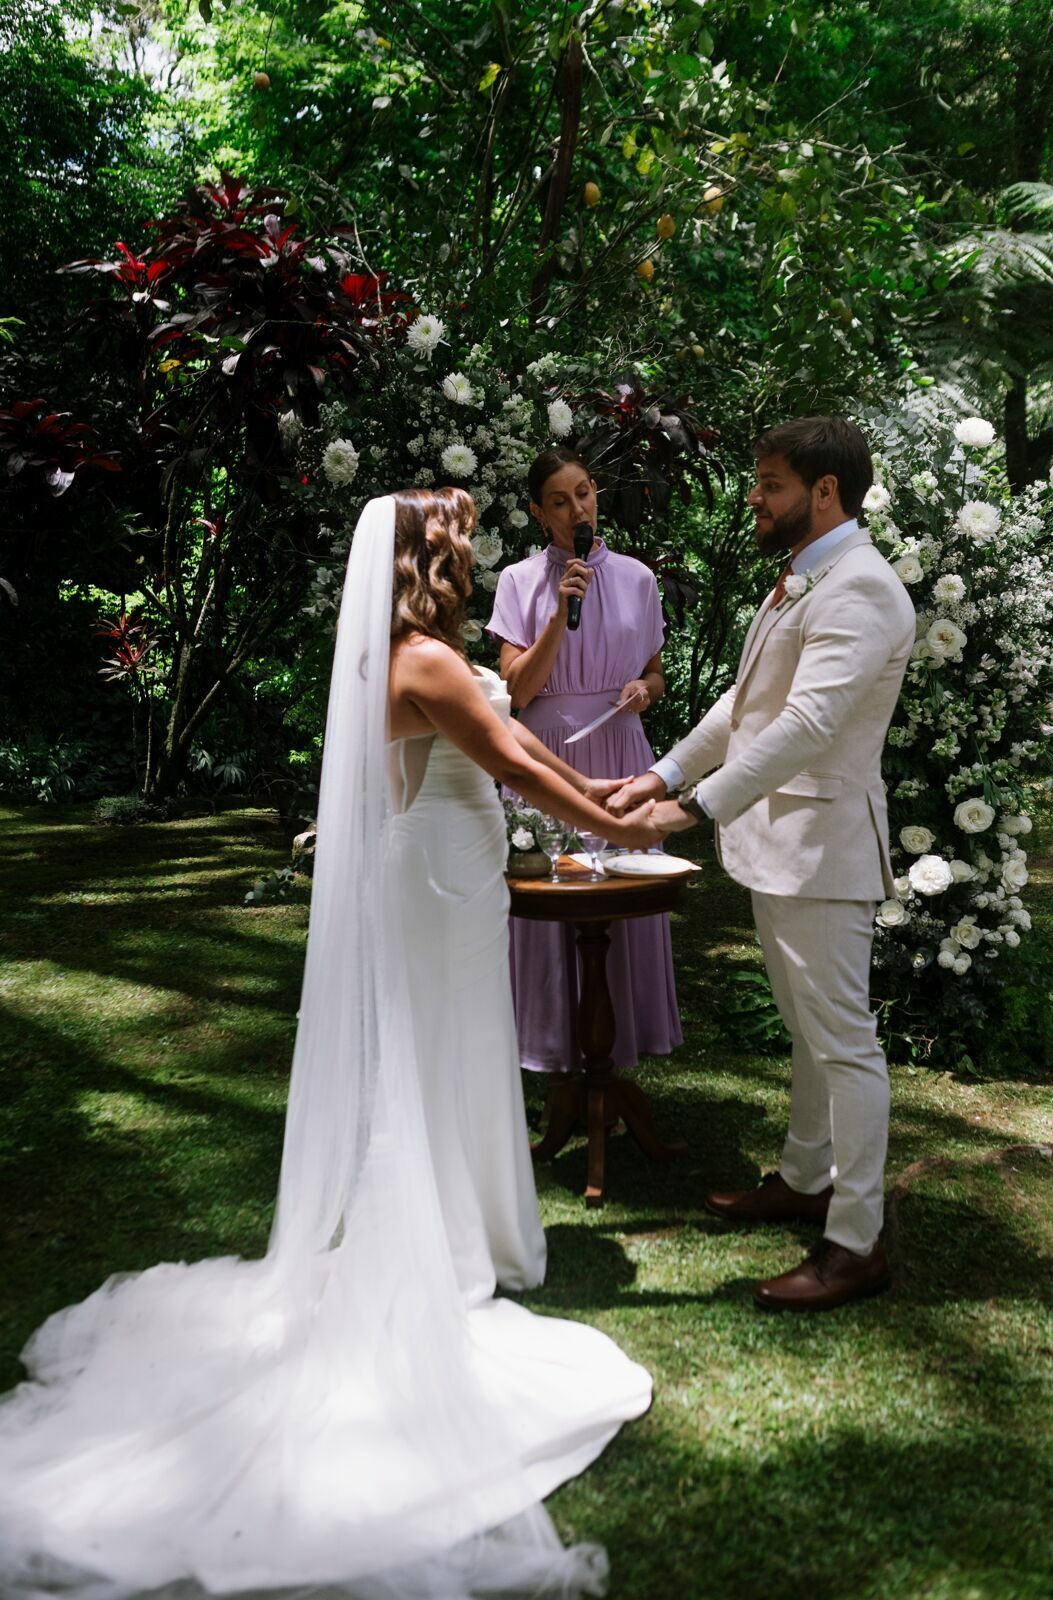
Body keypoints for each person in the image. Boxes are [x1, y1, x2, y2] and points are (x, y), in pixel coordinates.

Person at [0, 489, 661, 1600]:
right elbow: (509, 761)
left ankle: (461, 1229)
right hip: (446, 871)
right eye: (456, 551)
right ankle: (449, 1243)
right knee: (436, 1053)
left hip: (436, 869)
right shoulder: (431, 664)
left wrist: (599, 788)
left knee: (439, 1050)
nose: (468, 561)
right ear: (427, 570)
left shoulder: (389, 656)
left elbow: (514, 756)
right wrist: (614, 825)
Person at [608, 417, 916, 1313]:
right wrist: (661, 772)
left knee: (843, 1043)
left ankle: (854, 1241)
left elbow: (809, 725)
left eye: (769, 483)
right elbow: (747, 703)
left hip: (822, 849)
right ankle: (803, 1176)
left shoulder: (859, 587)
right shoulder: (806, 576)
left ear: (824, 492)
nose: (754, 497)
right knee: (808, 1031)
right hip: (785, 848)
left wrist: (694, 806)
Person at [488, 446, 683, 1075]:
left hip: (621, 748)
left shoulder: (637, 578)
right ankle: (550, 1044)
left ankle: (619, 1043)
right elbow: (514, 694)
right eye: (559, 501)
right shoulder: (519, 581)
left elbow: (655, 677)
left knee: (623, 890)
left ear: (596, 494)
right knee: (550, 897)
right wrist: (556, 616)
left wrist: (643, 691)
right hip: (543, 759)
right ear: (537, 514)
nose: (577, 509)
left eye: (584, 493)